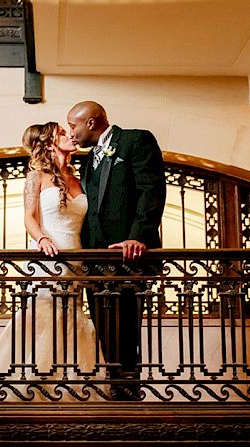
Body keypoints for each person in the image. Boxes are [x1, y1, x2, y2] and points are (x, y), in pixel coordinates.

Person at [0, 121, 107, 402]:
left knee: (71, 319)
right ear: (47, 143)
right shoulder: (37, 176)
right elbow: (29, 217)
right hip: (49, 256)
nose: (70, 134)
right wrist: (42, 240)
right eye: (61, 132)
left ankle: (70, 388)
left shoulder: (79, 178)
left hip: (77, 257)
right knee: (45, 317)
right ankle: (35, 388)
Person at [67, 101, 166, 399]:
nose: (71, 133)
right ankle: (114, 386)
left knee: (126, 328)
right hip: (95, 260)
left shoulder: (136, 140)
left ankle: (129, 390)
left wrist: (139, 237)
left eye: (73, 126)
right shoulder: (86, 160)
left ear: (92, 123)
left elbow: (152, 189)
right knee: (103, 327)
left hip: (128, 257)